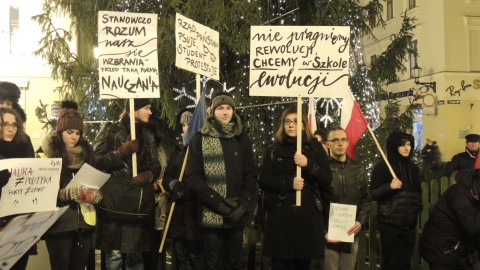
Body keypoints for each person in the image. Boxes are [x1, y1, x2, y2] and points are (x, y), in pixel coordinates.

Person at [184, 92, 256, 269]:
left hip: (236, 211)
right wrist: (216, 203)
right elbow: (193, 176)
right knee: (213, 262)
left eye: (229, 108)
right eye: (220, 108)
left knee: (233, 261)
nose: (225, 112)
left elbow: (250, 175)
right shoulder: (200, 139)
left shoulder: (242, 139)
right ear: (212, 112)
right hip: (212, 211)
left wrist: (243, 205)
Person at [258, 106, 333, 270]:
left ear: (304, 124)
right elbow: (263, 179)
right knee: (279, 264)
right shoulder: (273, 149)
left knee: (304, 265)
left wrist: (308, 165)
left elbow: (327, 179)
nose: (291, 125)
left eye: (296, 121)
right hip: (280, 219)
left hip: (306, 219)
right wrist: (287, 183)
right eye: (287, 122)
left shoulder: (314, 147)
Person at [93, 98, 161, 270]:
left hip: (137, 205)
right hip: (114, 202)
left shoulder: (148, 134)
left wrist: (149, 175)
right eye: (146, 108)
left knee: (136, 255)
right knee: (114, 256)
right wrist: (121, 152)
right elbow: (95, 160)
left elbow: (156, 164)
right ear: (134, 108)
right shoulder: (110, 130)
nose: (150, 112)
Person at [41, 101, 103, 270]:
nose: (74, 136)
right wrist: (66, 194)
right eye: (69, 132)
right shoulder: (47, 156)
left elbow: (98, 185)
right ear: (60, 132)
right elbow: (41, 194)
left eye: (77, 133)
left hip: (84, 226)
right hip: (59, 226)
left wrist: (96, 196)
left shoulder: (88, 156)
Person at [370, 131, 423, 270]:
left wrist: (417, 207)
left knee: (405, 263)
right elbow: (373, 193)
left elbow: (418, 192)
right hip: (390, 224)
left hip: (409, 225)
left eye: (409, 144)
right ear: (394, 147)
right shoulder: (383, 167)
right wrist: (389, 187)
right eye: (402, 145)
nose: (407, 148)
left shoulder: (414, 168)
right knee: (390, 263)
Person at [419, 156, 480, 270]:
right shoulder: (458, 193)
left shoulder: (475, 190)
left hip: (459, 249)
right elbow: (473, 225)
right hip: (442, 250)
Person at [323, 126, 371, 270]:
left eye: (343, 139)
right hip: (328, 235)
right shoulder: (323, 169)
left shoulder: (358, 169)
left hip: (351, 234)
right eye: (335, 140)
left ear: (348, 142)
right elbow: (315, 201)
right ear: (328, 144)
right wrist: (323, 231)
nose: (340, 143)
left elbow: (366, 199)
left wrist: (360, 221)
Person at [162, 108, 204, 269]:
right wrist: (172, 184)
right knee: (180, 255)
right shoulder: (178, 151)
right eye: (184, 125)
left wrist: (185, 190)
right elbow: (167, 175)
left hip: (193, 211)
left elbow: (201, 179)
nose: (186, 128)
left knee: (196, 256)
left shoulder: (201, 151)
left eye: (189, 124)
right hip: (177, 211)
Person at [0, 108, 36, 270]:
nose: (10, 129)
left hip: (22, 223)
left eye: (14, 125)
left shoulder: (25, 146)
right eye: (5, 124)